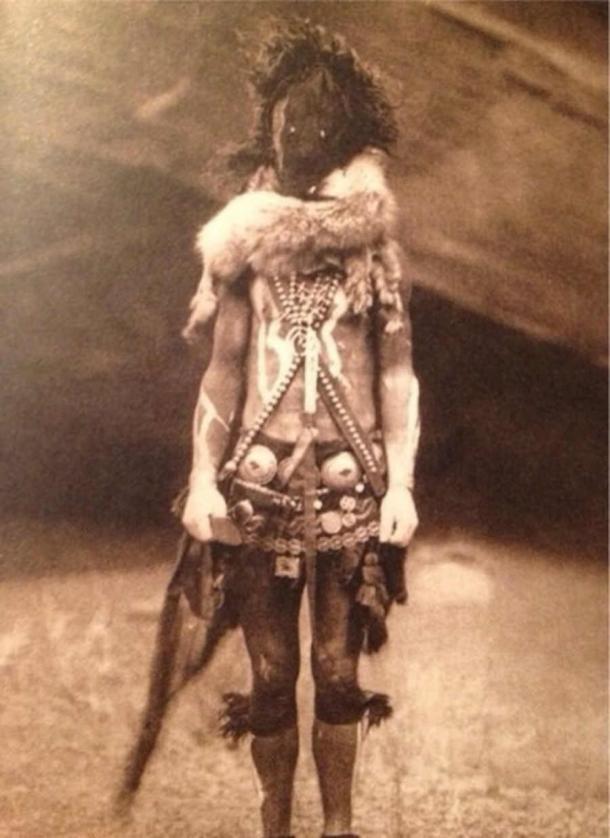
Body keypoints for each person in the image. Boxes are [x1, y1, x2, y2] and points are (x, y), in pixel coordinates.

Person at [181, 21, 420, 838]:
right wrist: (204, 480)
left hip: (352, 496)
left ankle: (338, 828)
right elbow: (224, 369)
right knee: (274, 672)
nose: (301, 139)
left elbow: (396, 375)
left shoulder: (375, 255)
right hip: (257, 493)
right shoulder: (245, 252)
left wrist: (402, 488)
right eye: (290, 126)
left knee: (336, 671)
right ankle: (274, 826)